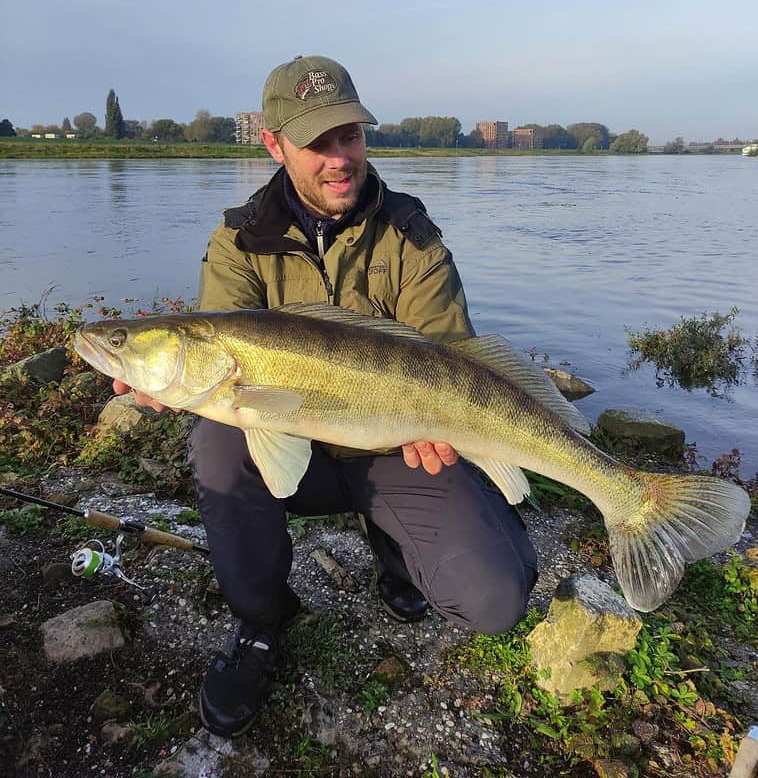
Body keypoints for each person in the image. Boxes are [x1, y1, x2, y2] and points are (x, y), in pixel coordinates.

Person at [114, 55, 537, 738]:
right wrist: (163, 383)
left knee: (492, 602)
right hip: (301, 455)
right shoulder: (238, 240)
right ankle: (259, 622)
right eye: (316, 142)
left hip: (399, 447)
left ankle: (402, 554)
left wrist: (455, 432)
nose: (339, 159)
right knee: (219, 440)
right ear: (274, 145)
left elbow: (456, 361)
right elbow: (211, 360)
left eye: (350, 136)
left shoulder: (411, 235)